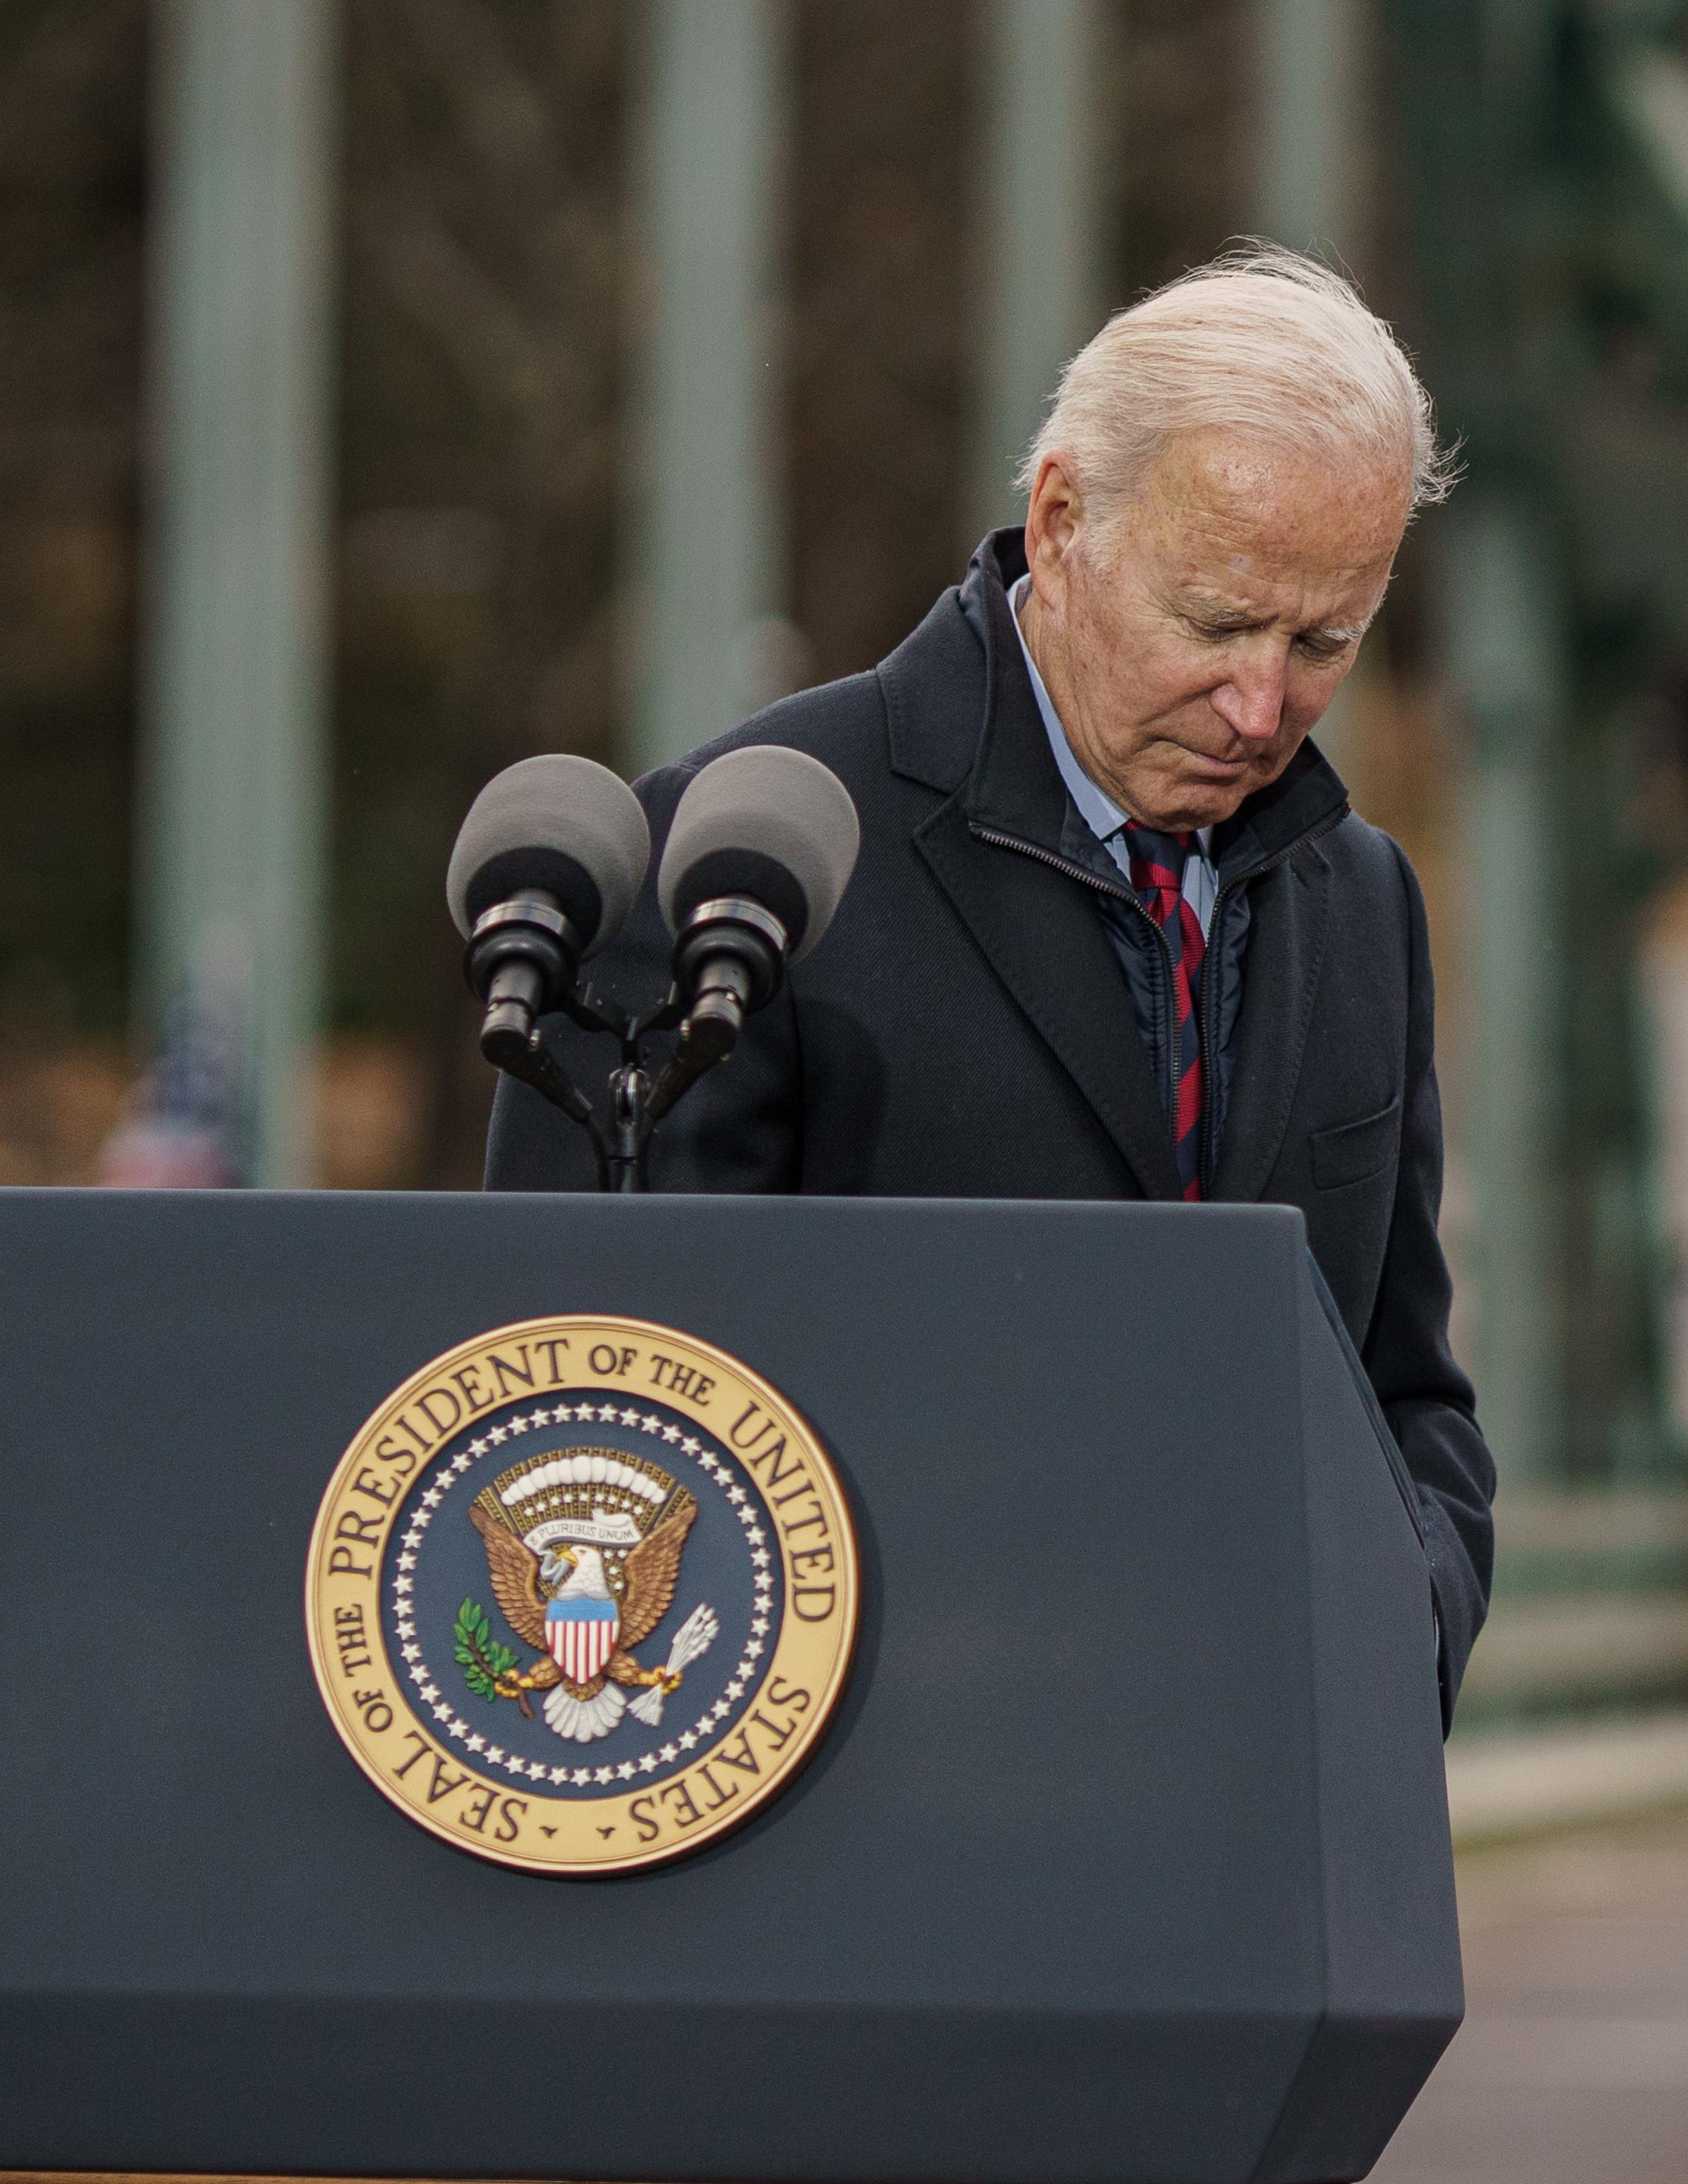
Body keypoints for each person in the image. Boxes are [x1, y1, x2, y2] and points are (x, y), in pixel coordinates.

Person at [485, 249, 1493, 1719]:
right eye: (1215, 624)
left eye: (1325, 641)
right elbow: (586, 1413)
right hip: (868, 1814)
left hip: (1262, 1817)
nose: (1264, 706)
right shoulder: (722, 867)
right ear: (1065, 520)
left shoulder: (1363, 903)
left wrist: (1408, 1622)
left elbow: (1404, 1387)